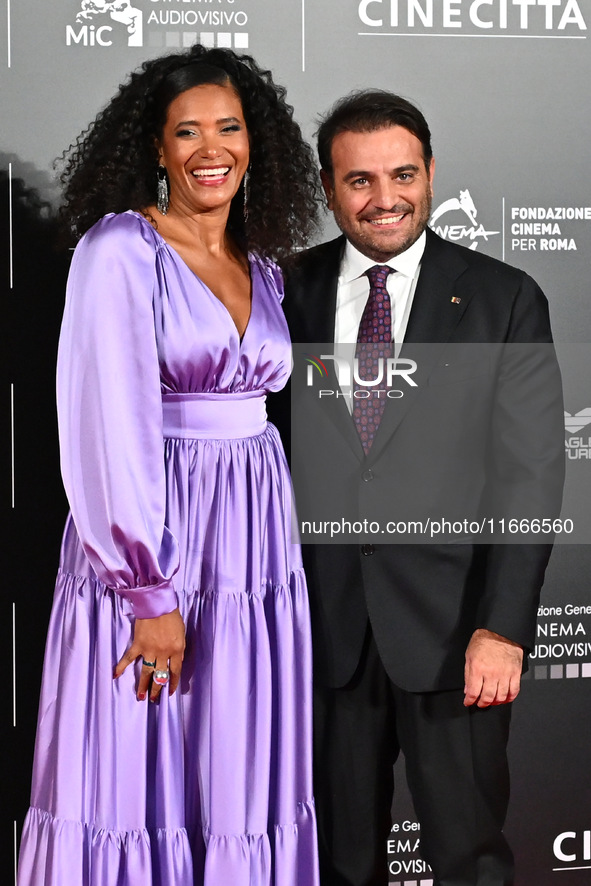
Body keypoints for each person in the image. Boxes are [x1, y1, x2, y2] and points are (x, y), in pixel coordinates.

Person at [17, 45, 320, 886]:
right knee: (134, 763)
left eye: (227, 127)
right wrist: (147, 591)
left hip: (252, 549)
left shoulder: (260, 263)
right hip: (153, 547)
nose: (209, 148)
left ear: (254, 143)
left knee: (233, 767)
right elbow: (106, 423)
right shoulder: (120, 249)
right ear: (155, 149)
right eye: (186, 131)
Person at [281, 90, 564, 886]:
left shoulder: (503, 298)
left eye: (402, 175)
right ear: (328, 185)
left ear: (431, 172)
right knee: (337, 862)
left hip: (455, 634)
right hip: (321, 634)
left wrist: (503, 628)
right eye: (359, 181)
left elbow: (531, 476)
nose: (384, 200)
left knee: (470, 859)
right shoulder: (283, 291)